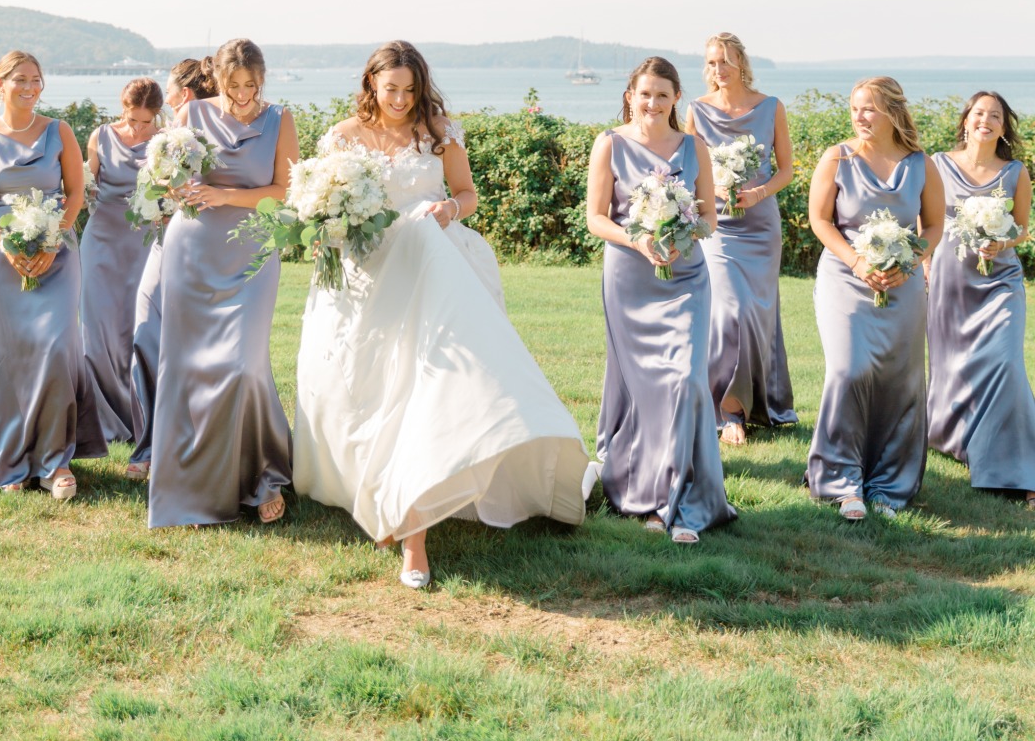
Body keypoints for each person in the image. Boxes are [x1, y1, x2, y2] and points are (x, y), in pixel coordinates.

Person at [294, 41, 588, 590]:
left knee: (430, 384)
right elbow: (320, 206)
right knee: (374, 389)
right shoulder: (341, 138)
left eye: (410, 89)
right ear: (371, 85)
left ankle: (414, 529)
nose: (401, 99)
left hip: (434, 266)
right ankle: (377, 488)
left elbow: (468, 193)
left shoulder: (439, 131)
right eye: (390, 89)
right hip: (368, 276)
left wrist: (449, 209)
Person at [587, 56, 734, 543]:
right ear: (631, 94)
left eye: (663, 95)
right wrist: (639, 240)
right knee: (644, 387)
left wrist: (682, 230)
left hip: (686, 276)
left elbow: (711, 217)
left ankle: (682, 501)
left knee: (686, 380)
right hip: (630, 278)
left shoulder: (695, 148)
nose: (652, 103)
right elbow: (597, 219)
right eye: (644, 93)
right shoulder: (608, 144)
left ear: (676, 100)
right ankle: (645, 490)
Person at [147, 39, 294, 528]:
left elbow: (283, 192)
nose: (244, 95)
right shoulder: (191, 116)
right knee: (188, 367)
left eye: (252, 85)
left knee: (242, 364)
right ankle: (189, 482)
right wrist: (174, 186)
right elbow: (168, 179)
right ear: (218, 80)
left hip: (251, 252)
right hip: (192, 249)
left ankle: (263, 475)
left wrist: (224, 193)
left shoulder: (280, 119)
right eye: (234, 86)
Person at [0, 50, 107, 498]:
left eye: (36, 79)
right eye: (20, 79)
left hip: (57, 253)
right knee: (10, 356)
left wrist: (51, 241)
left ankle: (55, 462)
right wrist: (3, 242)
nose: (29, 87)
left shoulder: (59, 131)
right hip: (2, 257)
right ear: (0, 85)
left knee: (58, 348)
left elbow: (76, 194)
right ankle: (13, 458)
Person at [806, 77, 944, 519]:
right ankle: (839, 481)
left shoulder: (921, 164)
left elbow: (934, 226)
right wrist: (858, 263)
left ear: (892, 112)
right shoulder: (837, 157)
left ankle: (889, 484)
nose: (859, 117)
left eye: (868, 109)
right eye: (855, 108)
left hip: (903, 286)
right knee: (849, 370)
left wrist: (908, 263)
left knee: (900, 382)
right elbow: (819, 220)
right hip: (845, 279)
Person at [685, 32, 797, 444]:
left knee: (757, 313)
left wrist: (758, 193)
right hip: (719, 225)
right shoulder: (696, 110)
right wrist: (713, 193)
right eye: (712, 62)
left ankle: (764, 403)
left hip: (761, 223)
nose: (719, 69)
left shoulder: (771, 107)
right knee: (730, 308)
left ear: (741, 63)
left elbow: (785, 169)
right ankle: (728, 410)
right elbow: (689, 167)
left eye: (726, 61)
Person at [927, 91, 1035, 502]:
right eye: (978, 114)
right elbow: (927, 220)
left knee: (1006, 363)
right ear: (966, 121)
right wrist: (923, 268)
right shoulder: (938, 164)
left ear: (1003, 127)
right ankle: (962, 439)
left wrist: (1001, 242)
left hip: (1000, 283)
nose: (985, 121)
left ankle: (1019, 469)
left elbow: (1022, 228)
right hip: (949, 280)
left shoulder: (1015, 172)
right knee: (953, 366)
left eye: (994, 116)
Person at [127, 58, 217, 480]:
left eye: (170, 92)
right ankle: (149, 440)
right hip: (165, 242)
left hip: (202, 248)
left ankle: (186, 444)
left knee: (193, 346)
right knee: (146, 332)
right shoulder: (169, 138)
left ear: (183, 96)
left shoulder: (212, 136)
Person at [80, 78, 163, 445]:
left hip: (145, 244)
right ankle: (102, 416)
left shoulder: (169, 141)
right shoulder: (100, 136)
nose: (138, 128)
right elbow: (87, 182)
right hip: (101, 240)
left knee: (136, 329)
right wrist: (83, 190)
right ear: (122, 108)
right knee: (99, 329)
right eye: (132, 120)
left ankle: (140, 412)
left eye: (146, 122)